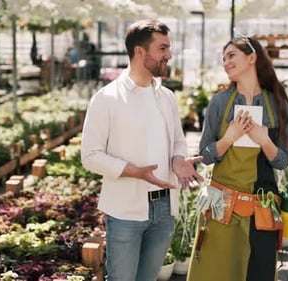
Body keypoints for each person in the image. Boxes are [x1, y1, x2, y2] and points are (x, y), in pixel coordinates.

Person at [80, 19, 204, 281]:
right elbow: (90, 155)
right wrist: (134, 171)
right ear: (139, 51)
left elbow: (178, 140)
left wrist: (178, 159)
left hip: (164, 210)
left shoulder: (166, 97)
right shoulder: (107, 98)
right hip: (125, 209)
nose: (169, 55)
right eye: (162, 48)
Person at [187, 35, 288, 281]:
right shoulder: (219, 102)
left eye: (231, 55)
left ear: (252, 57)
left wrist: (264, 140)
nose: (225, 62)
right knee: (214, 274)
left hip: (262, 208)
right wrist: (229, 138)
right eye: (223, 58)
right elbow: (205, 155)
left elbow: (282, 161)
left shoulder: (277, 103)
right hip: (221, 206)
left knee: (259, 273)